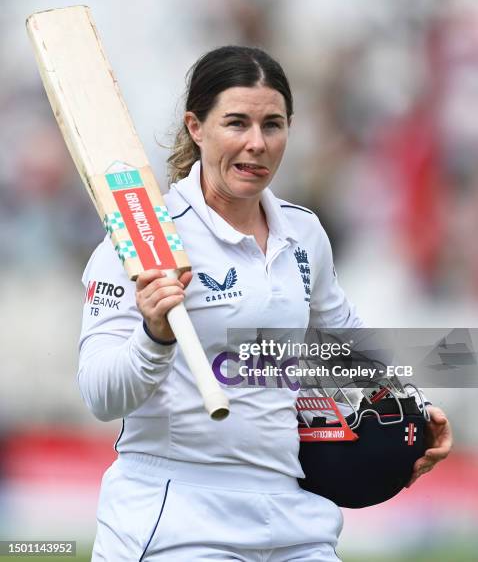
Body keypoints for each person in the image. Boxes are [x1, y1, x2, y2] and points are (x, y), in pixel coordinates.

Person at [78, 46, 452, 561]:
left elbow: (342, 338)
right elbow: (101, 394)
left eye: (272, 125)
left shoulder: (303, 232)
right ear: (196, 127)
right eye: (236, 123)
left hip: (292, 510)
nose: (256, 144)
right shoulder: (142, 241)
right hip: (176, 515)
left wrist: (412, 403)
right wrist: (154, 335)